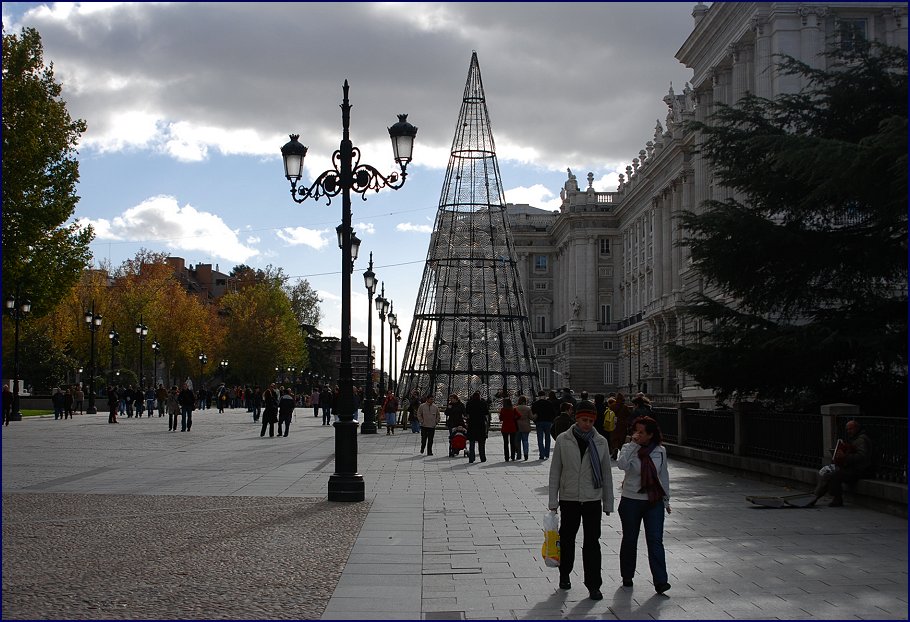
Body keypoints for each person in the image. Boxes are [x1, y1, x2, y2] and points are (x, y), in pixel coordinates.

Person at [548, 400, 614, 601]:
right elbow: (555, 471)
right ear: (576, 418)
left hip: (592, 498)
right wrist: (553, 501)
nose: (587, 424)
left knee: (592, 541)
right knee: (567, 539)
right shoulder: (563, 439)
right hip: (569, 498)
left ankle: (594, 585)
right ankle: (565, 573)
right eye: (584, 420)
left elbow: (606, 473)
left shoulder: (601, 441)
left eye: (591, 421)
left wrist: (608, 502)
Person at [616, 415, 672, 594]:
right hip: (631, 500)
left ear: (650, 435)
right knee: (630, 539)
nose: (637, 435)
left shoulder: (660, 451)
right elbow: (622, 465)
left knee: (655, 540)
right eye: (635, 431)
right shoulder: (628, 448)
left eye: (641, 432)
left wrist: (666, 499)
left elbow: (663, 475)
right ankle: (627, 575)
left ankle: (661, 581)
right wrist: (633, 445)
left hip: (653, 501)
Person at [809, 419, 875, 507]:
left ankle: (830, 498)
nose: (848, 431)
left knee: (834, 474)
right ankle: (817, 496)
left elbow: (862, 457)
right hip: (853, 468)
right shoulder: (855, 438)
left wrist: (845, 456)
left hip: (861, 470)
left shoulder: (862, 440)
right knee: (829, 473)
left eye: (850, 429)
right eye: (847, 429)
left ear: (856, 428)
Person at [531, 390, 556, 460]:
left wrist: (535, 421)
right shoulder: (549, 403)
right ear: (544, 396)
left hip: (539, 422)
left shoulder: (535, 404)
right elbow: (553, 413)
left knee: (540, 438)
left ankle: (541, 454)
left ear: (538, 396)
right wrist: (551, 421)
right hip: (548, 422)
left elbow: (533, 415)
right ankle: (547, 454)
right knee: (548, 438)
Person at [465, 391, 488, 463]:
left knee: (472, 443)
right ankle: (482, 458)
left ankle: (471, 458)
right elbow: (486, 412)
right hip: (481, 425)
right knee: (481, 443)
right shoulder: (483, 403)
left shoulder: (469, 403)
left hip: (472, 424)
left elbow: (467, 413)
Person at [515, 395, 533, 461]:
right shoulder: (528, 408)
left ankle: (519, 455)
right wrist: (536, 415)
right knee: (525, 441)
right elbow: (531, 417)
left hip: (518, 427)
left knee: (518, 441)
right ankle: (526, 455)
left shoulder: (516, 408)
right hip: (526, 427)